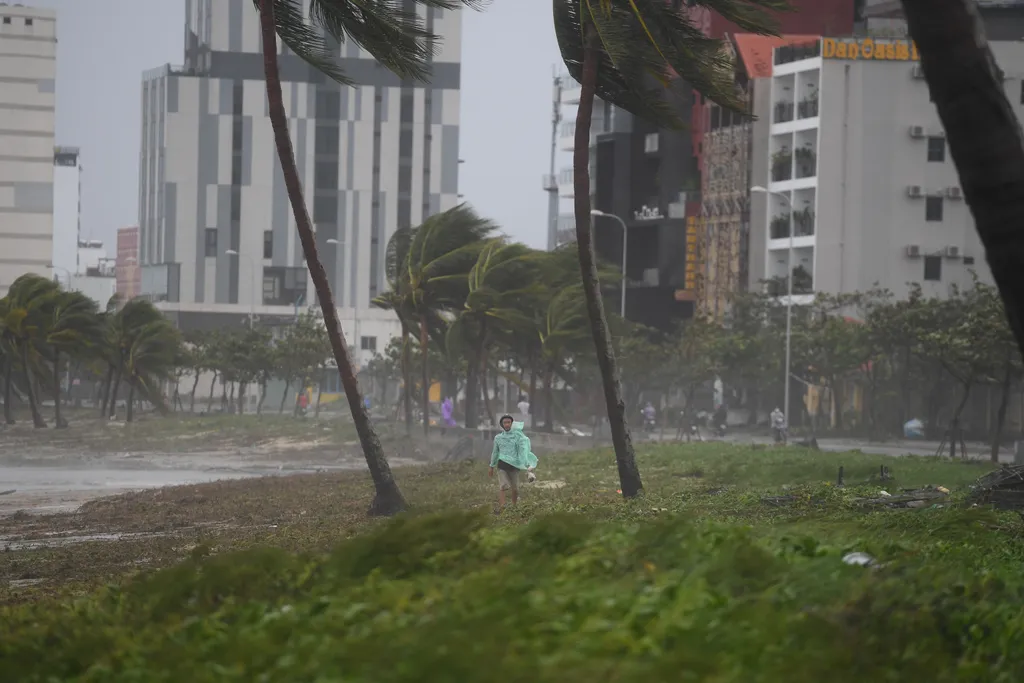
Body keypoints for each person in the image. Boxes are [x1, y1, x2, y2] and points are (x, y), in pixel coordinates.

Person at [489, 414, 538, 510]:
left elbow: (522, 451)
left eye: (508, 422)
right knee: (503, 486)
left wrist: (527, 465)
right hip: (502, 465)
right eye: (505, 423)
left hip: (514, 466)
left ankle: (514, 506)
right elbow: (495, 452)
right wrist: (491, 466)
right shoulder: (498, 438)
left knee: (515, 488)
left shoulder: (517, 437)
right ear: (502, 425)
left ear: (512, 424)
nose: (507, 424)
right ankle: (502, 507)